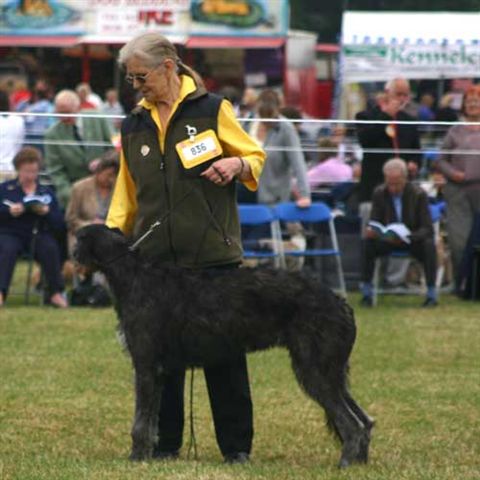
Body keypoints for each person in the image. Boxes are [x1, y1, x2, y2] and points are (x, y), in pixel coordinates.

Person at [106, 32, 266, 463]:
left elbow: (254, 156)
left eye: (141, 76)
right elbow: (127, 190)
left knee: (225, 358)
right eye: (130, 78)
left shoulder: (214, 109)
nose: (135, 85)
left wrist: (237, 164)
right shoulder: (133, 122)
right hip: (156, 262)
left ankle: (236, 448)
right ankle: (164, 445)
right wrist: (112, 237)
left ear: (168, 68)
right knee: (161, 361)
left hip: (213, 256)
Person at [360, 158, 437, 308]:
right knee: (367, 244)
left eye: (397, 183)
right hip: (387, 240)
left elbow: (427, 228)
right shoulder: (379, 193)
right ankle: (367, 293)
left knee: (429, 246)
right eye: (390, 183)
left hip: (412, 240)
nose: (393, 188)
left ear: (405, 179)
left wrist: (408, 236)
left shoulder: (418, 194)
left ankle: (431, 295)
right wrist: (373, 231)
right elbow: (375, 220)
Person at [0, 146, 67, 308]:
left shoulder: (46, 191)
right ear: (18, 170)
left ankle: (55, 293)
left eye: (34, 172)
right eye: (26, 172)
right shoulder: (5, 189)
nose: (30, 176)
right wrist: (9, 211)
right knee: (7, 249)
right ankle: (1, 292)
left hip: (37, 233)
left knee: (50, 247)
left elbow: (58, 222)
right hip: (11, 233)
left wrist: (46, 212)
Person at [355, 78, 422, 221]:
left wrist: (414, 163)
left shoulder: (409, 121)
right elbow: (365, 141)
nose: (403, 99)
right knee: (372, 234)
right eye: (399, 94)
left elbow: (417, 152)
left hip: (403, 191)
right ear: (387, 93)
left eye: (406, 95)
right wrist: (386, 116)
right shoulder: (366, 116)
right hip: (374, 187)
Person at [435, 85, 480, 291]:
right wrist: (452, 173)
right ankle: (460, 283)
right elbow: (441, 159)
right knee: (459, 239)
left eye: (476, 101)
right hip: (458, 191)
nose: (473, 104)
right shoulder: (454, 130)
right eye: (469, 101)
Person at [44, 89, 113, 208]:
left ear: (78, 108)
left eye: (67, 113)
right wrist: (70, 195)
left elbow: (115, 146)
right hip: (75, 191)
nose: (63, 117)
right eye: (59, 113)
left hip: (107, 187)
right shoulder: (52, 134)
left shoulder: (99, 118)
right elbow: (55, 171)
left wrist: (104, 162)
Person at [251, 91, 311, 207]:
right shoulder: (248, 124)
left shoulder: (286, 128)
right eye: (262, 115)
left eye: (270, 115)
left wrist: (305, 195)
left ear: (279, 109)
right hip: (245, 194)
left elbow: (298, 163)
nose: (265, 121)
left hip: (273, 198)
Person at [66, 149, 119, 253]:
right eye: (108, 175)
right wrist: (90, 225)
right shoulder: (79, 188)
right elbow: (71, 219)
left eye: (114, 176)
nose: (111, 179)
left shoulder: (118, 189)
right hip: (84, 236)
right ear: (99, 170)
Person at [0, 88, 25, 178]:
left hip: (11, 169)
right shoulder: (19, 120)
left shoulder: (18, 120)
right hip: (13, 169)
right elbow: (20, 144)